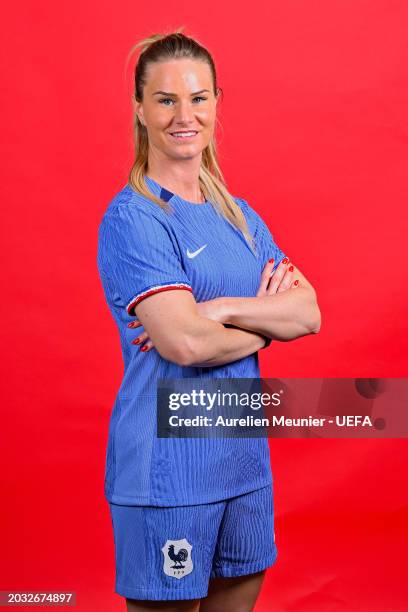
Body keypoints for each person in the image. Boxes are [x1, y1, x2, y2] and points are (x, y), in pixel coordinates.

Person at [97, 29, 321, 612]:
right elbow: (185, 344)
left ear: (217, 103)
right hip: (168, 473)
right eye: (166, 99)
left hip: (242, 461)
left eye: (198, 97)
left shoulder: (239, 216)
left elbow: (308, 311)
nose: (183, 115)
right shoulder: (134, 219)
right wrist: (265, 322)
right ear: (140, 109)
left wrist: (218, 309)